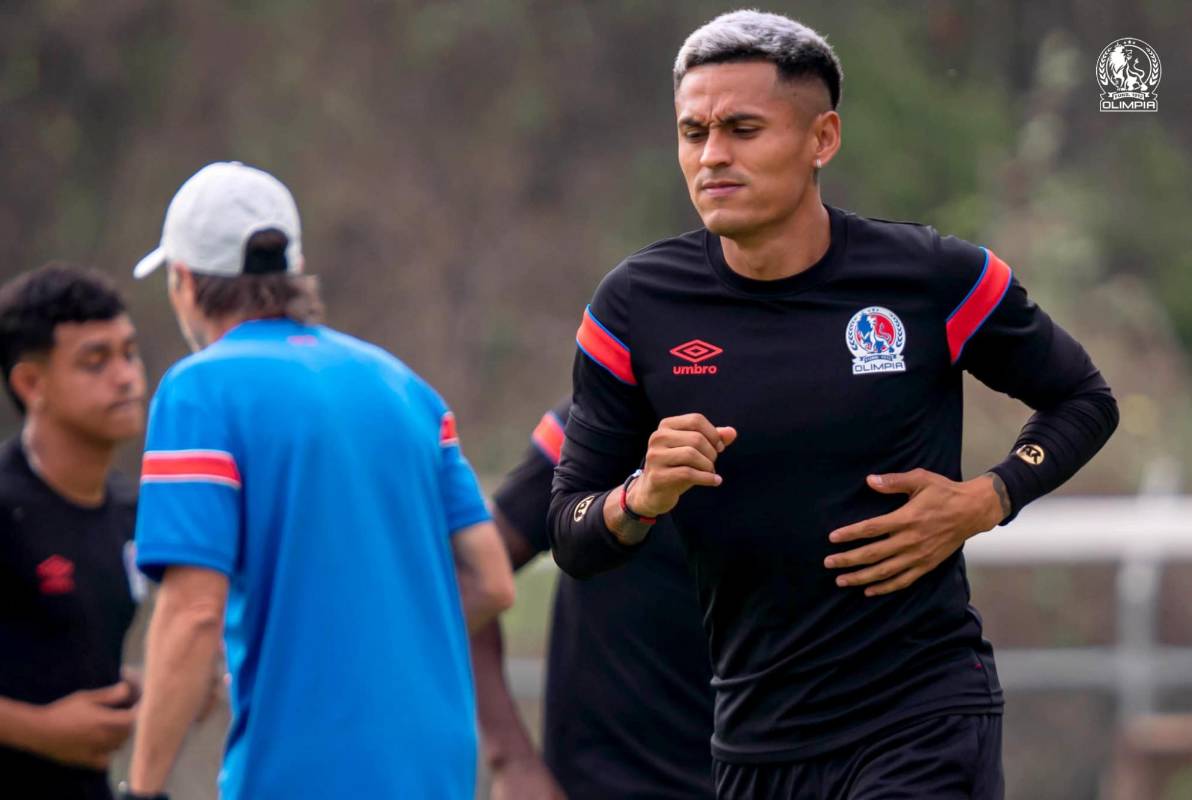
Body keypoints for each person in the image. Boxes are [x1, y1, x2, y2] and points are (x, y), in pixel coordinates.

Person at [548, 11, 1119, 800]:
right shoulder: (634, 309)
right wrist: (640, 498)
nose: (713, 155)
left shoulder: (933, 279)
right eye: (694, 131)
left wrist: (988, 497)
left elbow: (1083, 399)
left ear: (823, 139)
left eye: (744, 128)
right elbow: (573, 535)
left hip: (921, 714)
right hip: (753, 738)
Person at [120, 161, 514, 800]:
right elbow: (493, 582)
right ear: (290, 271)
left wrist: (142, 789)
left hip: (302, 772)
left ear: (185, 282)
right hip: (438, 768)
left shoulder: (200, 390)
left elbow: (192, 612)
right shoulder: (404, 386)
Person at [473, 397, 714, 800]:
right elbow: (469, 580)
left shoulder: (826, 426)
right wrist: (512, 761)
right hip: (603, 781)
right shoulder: (601, 422)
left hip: (778, 774)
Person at [0, 264, 146, 799]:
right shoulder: (6, 507)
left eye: (129, 353)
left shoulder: (133, 509)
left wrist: (139, 689)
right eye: (95, 361)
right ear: (31, 383)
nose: (126, 377)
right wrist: (37, 729)